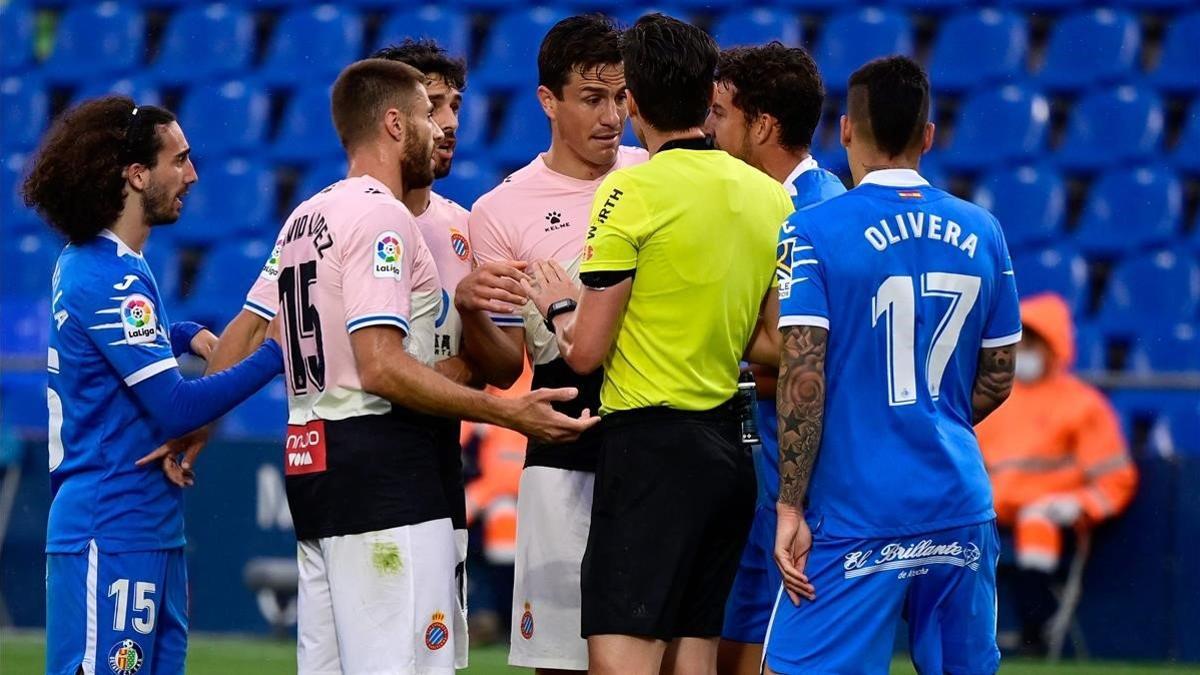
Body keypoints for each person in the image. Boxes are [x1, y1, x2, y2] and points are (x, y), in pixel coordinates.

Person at [240, 59, 599, 674]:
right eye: (429, 113)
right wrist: (504, 410)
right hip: (385, 471)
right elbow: (380, 366)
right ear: (395, 123)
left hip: (315, 462)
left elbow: (272, 342)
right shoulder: (385, 218)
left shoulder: (307, 215)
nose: (443, 128)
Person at [522, 14, 794, 675]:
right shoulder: (767, 196)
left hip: (650, 453)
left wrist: (558, 303)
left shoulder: (630, 189)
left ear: (634, 99)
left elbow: (585, 352)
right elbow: (777, 343)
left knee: (623, 661)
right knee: (693, 656)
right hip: (731, 456)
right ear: (708, 96)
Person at [764, 56, 1021, 675]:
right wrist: (931, 416)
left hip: (856, 511)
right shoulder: (983, 230)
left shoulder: (812, 230)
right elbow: (999, 374)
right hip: (958, 505)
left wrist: (789, 507)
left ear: (847, 129)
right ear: (928, 136)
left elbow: (803, 379)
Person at [22, 96, 284, 675]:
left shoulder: (100, 261)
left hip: (146, 528)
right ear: (137, 175)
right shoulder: (113, 278)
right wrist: (277, 354)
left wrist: (187, 334)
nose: (192, 174)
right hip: (109, 527)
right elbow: (174, 407)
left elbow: (124, 340)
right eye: (180, 160)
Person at [462, 14, 646, 674]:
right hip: (565, 454)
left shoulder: (656, 173)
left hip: (656, 450)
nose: (612, 116)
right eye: (592, 98)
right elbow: (504, 360)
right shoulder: (501, 210)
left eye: (621, 97)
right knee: (560, 663)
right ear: (548, 101)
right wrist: (469, 305)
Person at [703, 42, 846, 675]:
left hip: (795, 472)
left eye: (721, 113)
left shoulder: (808, 211)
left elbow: (803, 356)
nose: (710, 129)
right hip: (760, 460)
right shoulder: (793, 200)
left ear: (762, 125)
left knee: (772, 638)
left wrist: (703, 344)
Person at [976, 292, 1137, 654]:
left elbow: (1115, 478)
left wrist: (1078, 505)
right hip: (992, 510)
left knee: (1037, 522)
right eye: (1022, 343)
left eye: (1034, 343)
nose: (1025, 353)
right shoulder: (996, 398)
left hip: (1049, 513)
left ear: (1053, 345)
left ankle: (1036, 633)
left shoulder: (1082, 404)